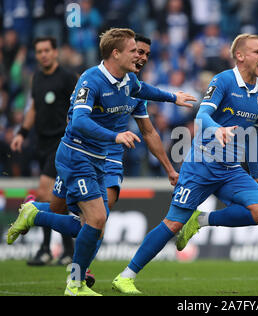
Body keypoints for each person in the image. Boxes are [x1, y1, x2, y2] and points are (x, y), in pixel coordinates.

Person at [7, 28, 196, 296]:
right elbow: (81, 121)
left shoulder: (128, 82)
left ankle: (35, 214)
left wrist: (172, 97)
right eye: (134, 50)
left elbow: (145, 91)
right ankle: (75, 282)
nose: (139, 56)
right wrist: (115, 135)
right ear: (115, 53)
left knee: (83, 221)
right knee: (96, 220)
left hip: (98, 160)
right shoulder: (90, 80)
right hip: (76, 155)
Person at [111, 33, 258, 295]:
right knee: (173, 223)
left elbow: (253, 136)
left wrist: (256, 175)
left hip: (231, 169)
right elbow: (202, 115)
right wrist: (218, 130)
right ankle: (125, 276)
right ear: (240, 56)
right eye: (257, 51)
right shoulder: (222, 81)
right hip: (201, 164)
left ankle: (201, 220)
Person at [10, 36, 78, 266]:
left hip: (63, 143)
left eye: (47, 50)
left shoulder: (68, 77)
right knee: (54, 200)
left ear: (55, 52)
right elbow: (34, 109)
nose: (43, 55)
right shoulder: (37, 78)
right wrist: (22, 133)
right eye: (39, 51)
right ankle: (66, 250)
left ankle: (46, 248)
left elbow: (82, 104)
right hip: (42, 143)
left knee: (43, 193)